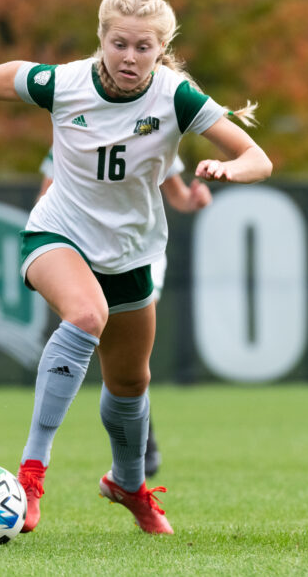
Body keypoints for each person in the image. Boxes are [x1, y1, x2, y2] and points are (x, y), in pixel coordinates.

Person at [0, 0, 272, 535]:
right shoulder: (62, 83)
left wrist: (231, 170)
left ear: (162, 47)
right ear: (100, 39)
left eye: (144, 47)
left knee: (130, 385)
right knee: (84, 314)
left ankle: (127, 485)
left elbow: (258, 158)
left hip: (131, 253)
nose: (130, 57)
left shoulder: (177, 98)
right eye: (119, 43)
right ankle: (31, 476)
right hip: (57, 234)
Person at [36, 149, 212, 478]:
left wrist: (194, 200)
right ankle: (132, 451)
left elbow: (178, 196)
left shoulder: (157, 123)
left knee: (128, 347)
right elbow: (46, 197)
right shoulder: (75, 121)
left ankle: (140, 449)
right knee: (108, 342)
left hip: (140, 252)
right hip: (85, 249)